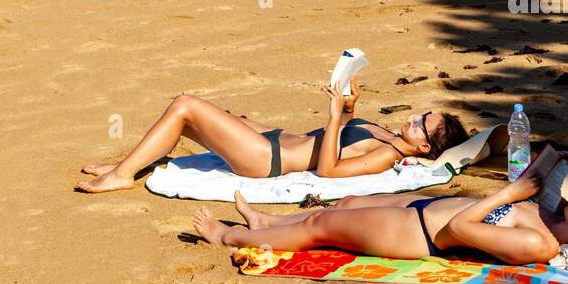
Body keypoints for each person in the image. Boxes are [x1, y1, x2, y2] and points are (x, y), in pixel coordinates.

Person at [76, 80, 467, 193]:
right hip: (277, 139)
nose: (414, 117)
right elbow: (348, 131)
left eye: (421, 124)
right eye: (421, 113)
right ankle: (130, 163)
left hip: (268, 160)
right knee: (205, 119)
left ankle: (122, 175)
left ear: (424, 147)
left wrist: (333, 117)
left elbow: (328, 170)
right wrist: (348, 106)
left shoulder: (385, 157)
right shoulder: (385, 134)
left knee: (185, 105)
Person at [193, 174, 568, 266]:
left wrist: (506, 194)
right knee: (346, 203)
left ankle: (230, 237)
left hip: (419, 233)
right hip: (426, 206)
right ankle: (267, 221)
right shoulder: (552, 215)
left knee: (319, 229)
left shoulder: (543, 244)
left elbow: (461, 230)